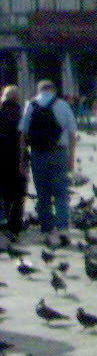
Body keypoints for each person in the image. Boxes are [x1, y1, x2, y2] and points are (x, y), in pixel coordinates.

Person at [19, 80, 77, 248]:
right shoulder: (62, 105)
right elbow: (73, 133)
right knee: (60, 193)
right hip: (59, 152)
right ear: (54, 90)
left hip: (37, 153)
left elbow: (22, 133)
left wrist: (23, 158)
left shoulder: (31, 105)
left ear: (38, 90)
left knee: (42, 193)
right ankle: (63, 229)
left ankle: (46, 230)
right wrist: (71, 157)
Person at [0, 85, 26, 244]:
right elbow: (26, 137)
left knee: (2, 192)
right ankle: (14, 225)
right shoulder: (22, 114)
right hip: (17, 159)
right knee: (17, 194)